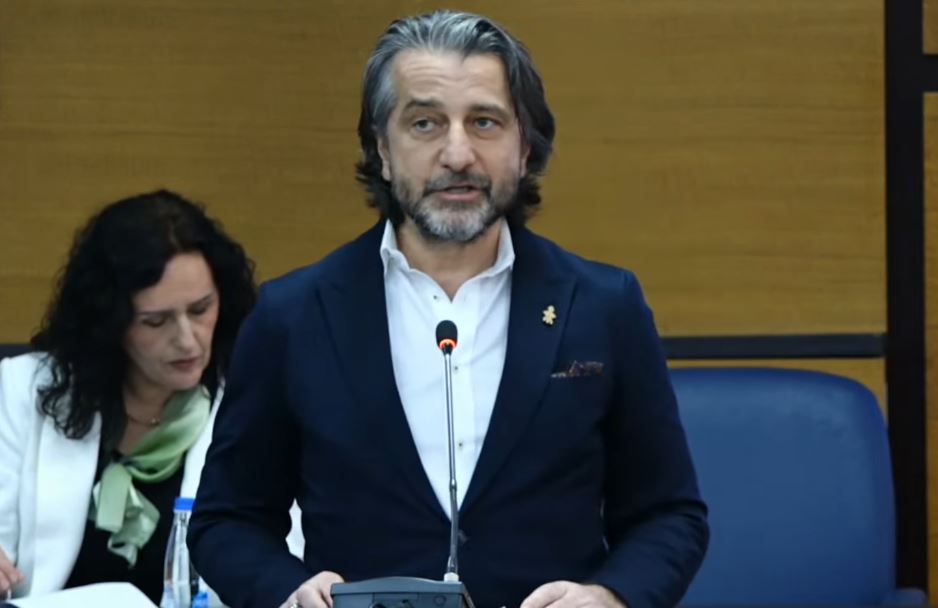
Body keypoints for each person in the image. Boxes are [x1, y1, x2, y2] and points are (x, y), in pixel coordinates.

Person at [189, 10, 708, 608]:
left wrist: (610, 596)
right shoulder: (294, 315)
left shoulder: (603, 306)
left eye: (485, 122)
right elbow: (227, 521)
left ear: (525, 148)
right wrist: (288, 591)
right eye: (425, 123)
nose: (457, 153)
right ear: (383, 150)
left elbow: (669, 514)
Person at [0, 190, 265, 604]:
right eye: (156, 321)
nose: (187, 340)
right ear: (110, 321)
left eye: (200, 310)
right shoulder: (22, 390)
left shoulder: (255, 399)